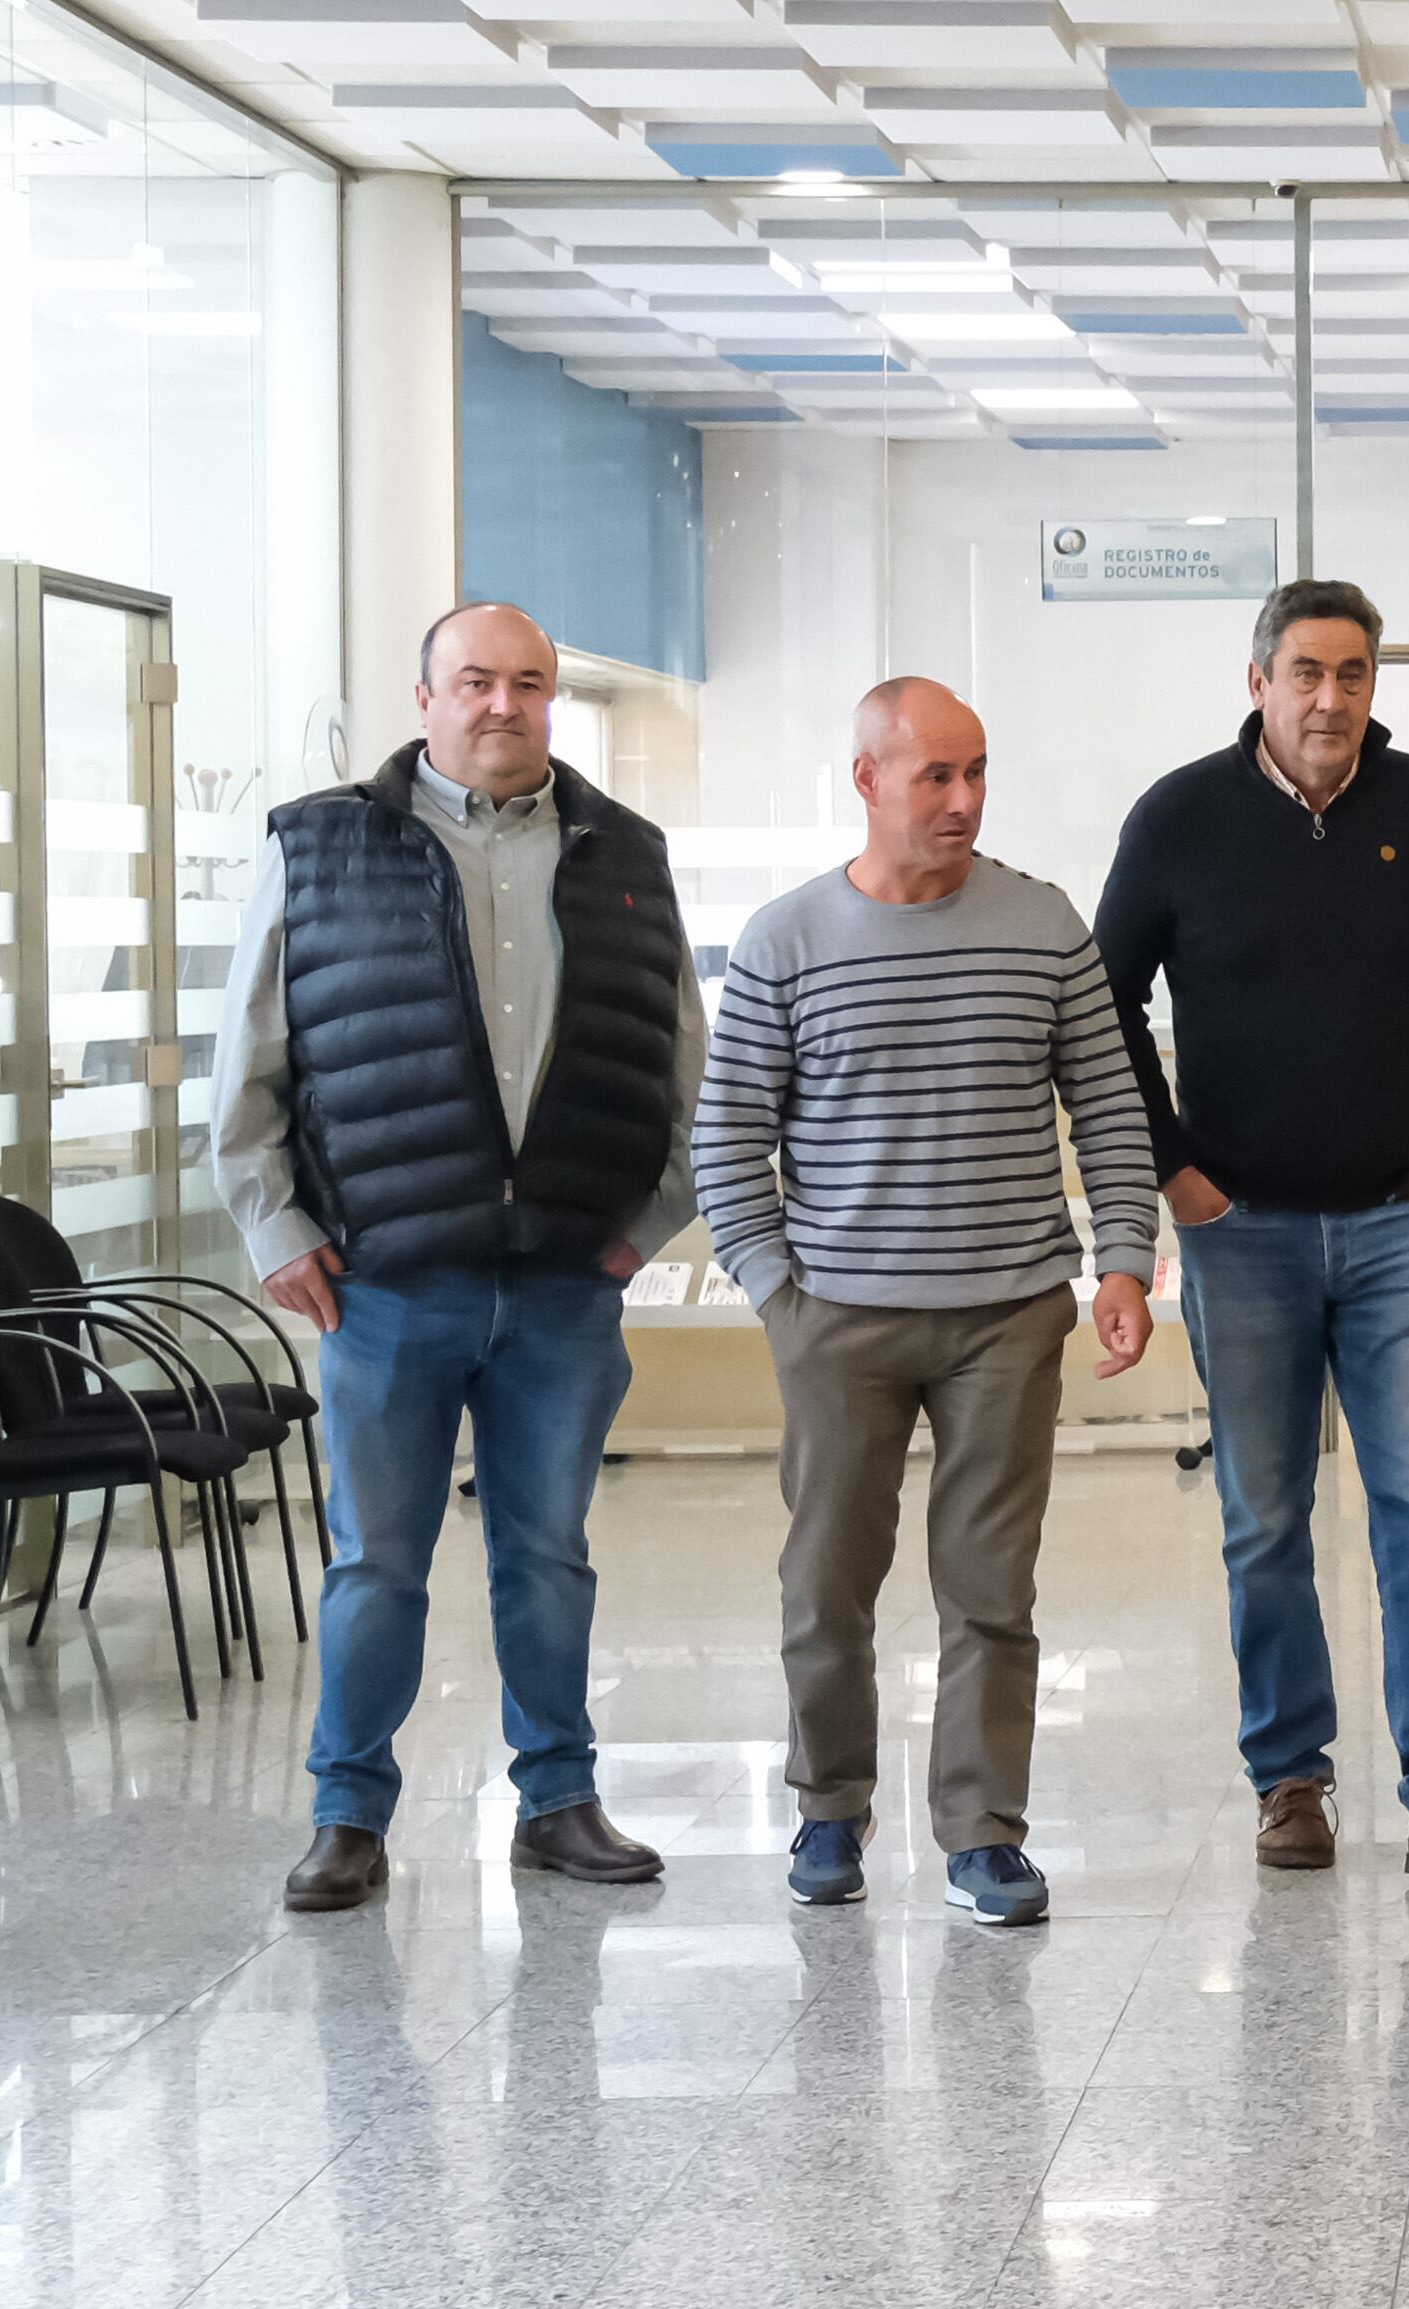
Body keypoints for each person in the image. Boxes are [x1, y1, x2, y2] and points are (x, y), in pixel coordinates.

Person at [218, 601, 704, 1914]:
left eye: (530, 684)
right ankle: (347, 1816)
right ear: (424, 696)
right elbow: (250, 1058)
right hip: (386, 1279)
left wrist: (645, 1227)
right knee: (379, 1557)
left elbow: (681, 1067)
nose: (504, 705)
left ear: (554, 701)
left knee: (547, 1552)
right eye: (476, 681)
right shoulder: (319, 846)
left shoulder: (626, 854)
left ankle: (559, 1800)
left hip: (561, 1283)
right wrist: (277, 1224)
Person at [692, 677, 1159, 1927]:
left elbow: (1110, 1106)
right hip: (837, 1316)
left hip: (1007, 1315)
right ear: (866, 780)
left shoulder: (1044, 924)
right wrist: (774, 1286)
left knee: (990, 1592)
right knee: (827, 1587)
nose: (962, 801)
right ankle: (829, 1808)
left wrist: (1121, 1258)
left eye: (977, 773)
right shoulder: (785, 939)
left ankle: (981, 1833)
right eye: (934, 777)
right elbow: (727, 1137)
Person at [1097, 579, 1409, 1878]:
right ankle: (1290, 1776)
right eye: (1305, 672)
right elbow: (1103, 1003)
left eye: (1351, 672)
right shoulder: (1179, 818)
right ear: (1259, 682)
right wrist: (1173, 1172)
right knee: (1264, 1514)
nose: (1330, 696)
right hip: (1244, 1231)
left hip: (1401, 1220)